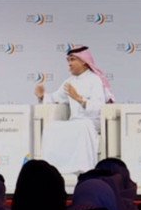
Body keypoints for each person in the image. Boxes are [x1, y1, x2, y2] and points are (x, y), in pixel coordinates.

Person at [35, 45, 112, 174]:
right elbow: (55, 98)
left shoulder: (95, 80)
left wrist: (79, 99)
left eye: (72, 60)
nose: (69, 64)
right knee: (51, 127)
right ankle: (52, 170)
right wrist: (42, 95)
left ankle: (83, 169)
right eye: (68, 60)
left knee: (81, 126)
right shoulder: (70, 81)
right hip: (75, 121)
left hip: (91, 122)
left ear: (84, 61)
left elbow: (98, 107)